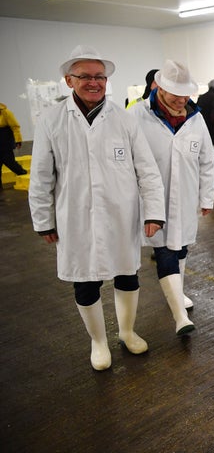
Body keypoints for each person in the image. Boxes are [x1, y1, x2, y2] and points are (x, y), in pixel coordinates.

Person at [28, 45, 166, 371]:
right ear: (68, 80)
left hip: (122, 213)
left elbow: (147, 169)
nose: (94, 82)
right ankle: (99, 342)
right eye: (85, 77)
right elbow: (41, 176)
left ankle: (128, 332)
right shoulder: (51, 120)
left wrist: (153, 212)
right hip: (74, 215)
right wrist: (44, 221)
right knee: (86, 280)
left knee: (127, 275)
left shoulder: (123, 118)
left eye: (99, 76)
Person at [128, 60, 214, 336]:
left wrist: (207, 198)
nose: (181, 100)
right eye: (174, 94)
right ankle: (180, 316)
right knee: (164, 250)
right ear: (159, 88)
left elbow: (206, 161)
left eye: (185, 94)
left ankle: (177, 292)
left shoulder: (195, 117)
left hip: (186, 197)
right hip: (152, 200)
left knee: (181, 248)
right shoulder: (135, 116)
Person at [0, 102, 27, 185]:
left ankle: (22, 173)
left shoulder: (6, 112)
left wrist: (18, 140)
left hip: (5, 142)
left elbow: (15, 127)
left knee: (10, 162)